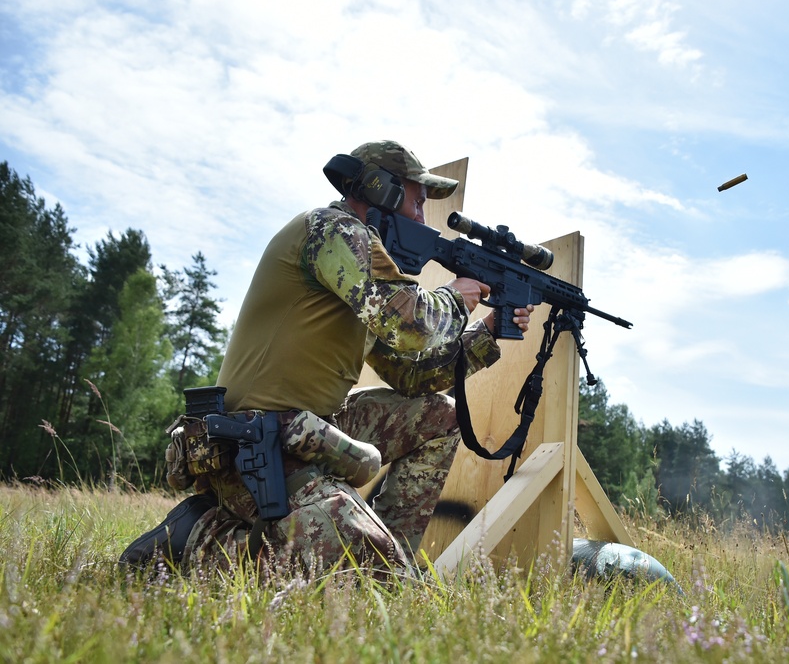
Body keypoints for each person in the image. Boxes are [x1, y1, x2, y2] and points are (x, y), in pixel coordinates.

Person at [120, 140, 532, 576]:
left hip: (309, 433)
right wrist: (456, 298)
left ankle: (389, 559)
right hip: (255, 444)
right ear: (382, 190)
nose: (420, 217)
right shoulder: (333, 230)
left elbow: (413, 377)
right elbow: (410, 326)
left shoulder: (362, 280)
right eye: (416, 201)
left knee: (438, 417)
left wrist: (484, 334)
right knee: (348, 565)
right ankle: (200, 537)